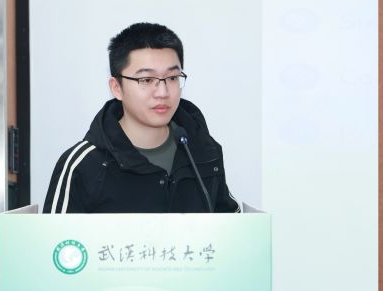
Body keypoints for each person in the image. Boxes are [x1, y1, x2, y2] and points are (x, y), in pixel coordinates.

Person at [43, 22, 241, 213]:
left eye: (172, 78)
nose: (162, 92)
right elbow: (55, 236)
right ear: (116, 88)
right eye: (146, 79)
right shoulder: (84, 165)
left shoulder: (203, 149)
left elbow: (231, 226)